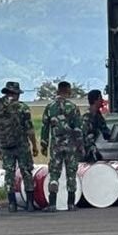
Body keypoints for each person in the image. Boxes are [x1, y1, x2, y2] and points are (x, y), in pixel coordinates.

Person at [0, 81, 39, 212]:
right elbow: (29, 130)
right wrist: (34, 146)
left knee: (9, 173)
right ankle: (29, 203)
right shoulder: (22, 108)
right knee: (26, 171)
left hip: (5, 146)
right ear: (16, 94)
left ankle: (12, 204)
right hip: (21, 145)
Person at [40, 81, 83, 212]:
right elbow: (78, 129)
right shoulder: (73, 107)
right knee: (71, 172)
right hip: (70, 145)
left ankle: (52, 202)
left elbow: (44, 127)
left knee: (54, 171)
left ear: (58, 91)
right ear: (68, 91)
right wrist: (80, 145)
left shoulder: (50, 107)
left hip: (56, 145)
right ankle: (71, 203)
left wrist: (44, 143)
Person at [81, 89, 111, 163]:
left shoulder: (98, 116)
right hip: (85, 150)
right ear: (95, 100)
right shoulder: (86, 117)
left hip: (91, 147)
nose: (102, 100)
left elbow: (106, 133)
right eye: (100, 98)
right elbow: (83, 137)